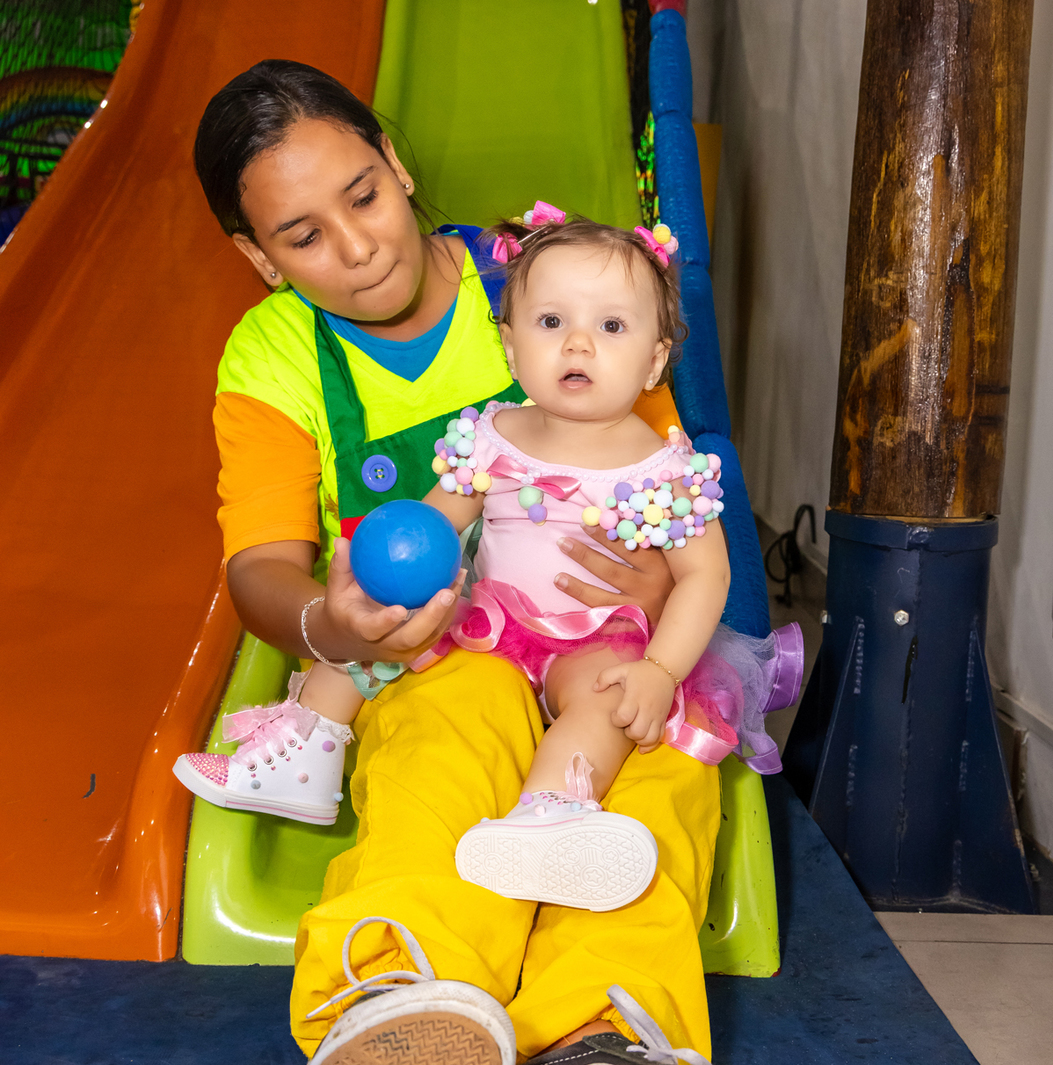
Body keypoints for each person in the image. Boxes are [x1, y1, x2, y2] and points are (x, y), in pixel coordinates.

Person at [179, 58, 792, 1065]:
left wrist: (657, 599)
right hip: (448, 641)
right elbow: (259, 565)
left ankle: (600, 1051)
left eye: (364, 195)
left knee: (653, 765)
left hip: (611, 641)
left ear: (397, 167)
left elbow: (653, 470)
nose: (356, 246)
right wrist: (332, 624)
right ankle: (395, 998)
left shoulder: (551, 281)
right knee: (445, 735)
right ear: (261, 259)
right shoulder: (271, 359)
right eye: (303, 237)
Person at [184, 204, 799, 917]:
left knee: (607, 701)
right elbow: (432, 529)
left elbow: (705, 576)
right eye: (551, 322)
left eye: (611, 326)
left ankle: (550, 814)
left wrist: (660, 671)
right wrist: (393, 574)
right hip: (493, 626)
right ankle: (309, 751)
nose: (578, 343)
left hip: (598, 637)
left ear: (656, 359)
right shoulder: (490, 436)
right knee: (387, 622)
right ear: (510, 346)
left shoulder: (667, 469)